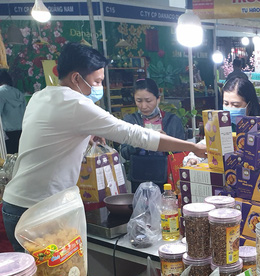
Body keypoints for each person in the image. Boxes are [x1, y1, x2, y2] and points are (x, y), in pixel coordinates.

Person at [2, 43, 206, 252]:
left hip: (16, 203)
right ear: (76, 78)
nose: (100, 87)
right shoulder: (75, 104)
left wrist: (84, 134)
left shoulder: (41, 97)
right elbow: (135, 134)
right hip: (38, 210)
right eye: (97, 81)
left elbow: (52, 136)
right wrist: (192, 147)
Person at [120, 78, 185, 192]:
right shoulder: (130, 120)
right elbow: (124, 153)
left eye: (148, 101)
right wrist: (139, 141)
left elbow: (182, 154)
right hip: (139, 178)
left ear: (158, 99)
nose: (144, 106)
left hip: (166, 179)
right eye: (139, 101)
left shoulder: (173, 121)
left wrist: (167, 143)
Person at [0, 69, 26, 154]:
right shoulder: (19, 93)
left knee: (9, 162)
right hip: (22, 131)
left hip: (7, 134)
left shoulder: (0, 92)